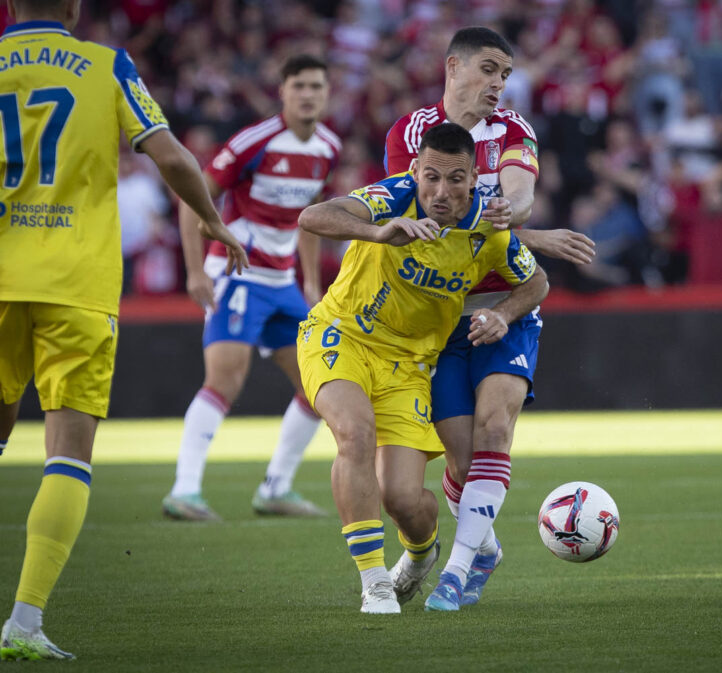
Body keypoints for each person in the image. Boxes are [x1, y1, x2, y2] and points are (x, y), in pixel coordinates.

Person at [0, 0, 246, 660]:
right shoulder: (105, 65)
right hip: (75, 285)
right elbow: (170, 156)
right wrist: (212, 219)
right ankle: (23, 621)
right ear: (74, 6)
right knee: (66, 454)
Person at [296, 123, 548, 614]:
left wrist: (502, 314)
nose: (441, 191)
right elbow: (313, 216)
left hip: (411, 364)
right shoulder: (393, 197)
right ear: (414, 171)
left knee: (405, 501)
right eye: (430, 177)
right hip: (342, 335)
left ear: (475, 179)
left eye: (456, 179)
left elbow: (535, 282)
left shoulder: (487, 232)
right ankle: (374, 582)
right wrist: (376, 232)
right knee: (354, 432)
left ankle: (419, 552)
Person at [383, 27, 594, 610]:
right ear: (454, 67)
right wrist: (534, 234)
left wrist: (517, 217)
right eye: (491, 69)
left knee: (494, 427)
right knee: (460, 458)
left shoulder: (513, 131)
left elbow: (517, 198)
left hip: (509, 304)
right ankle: (486, 549)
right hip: (440, 312)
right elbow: (426, 213)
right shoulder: (410, 133)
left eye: (506, 73)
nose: (500, 83)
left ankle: (453, 573)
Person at [162, 55, 342, 521]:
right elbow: (192, 197)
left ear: (327, 93)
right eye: (299, 85)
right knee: (225, 379)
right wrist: (197, 271)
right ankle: (184, 490)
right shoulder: (254, 142)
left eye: (316, 87)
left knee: (319, 386)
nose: (308, 94)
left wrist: (312, 284)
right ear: (282, 91)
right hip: (236, 273)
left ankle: (275, 488)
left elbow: (310, 219)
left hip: (283, 282)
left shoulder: (327, 147)